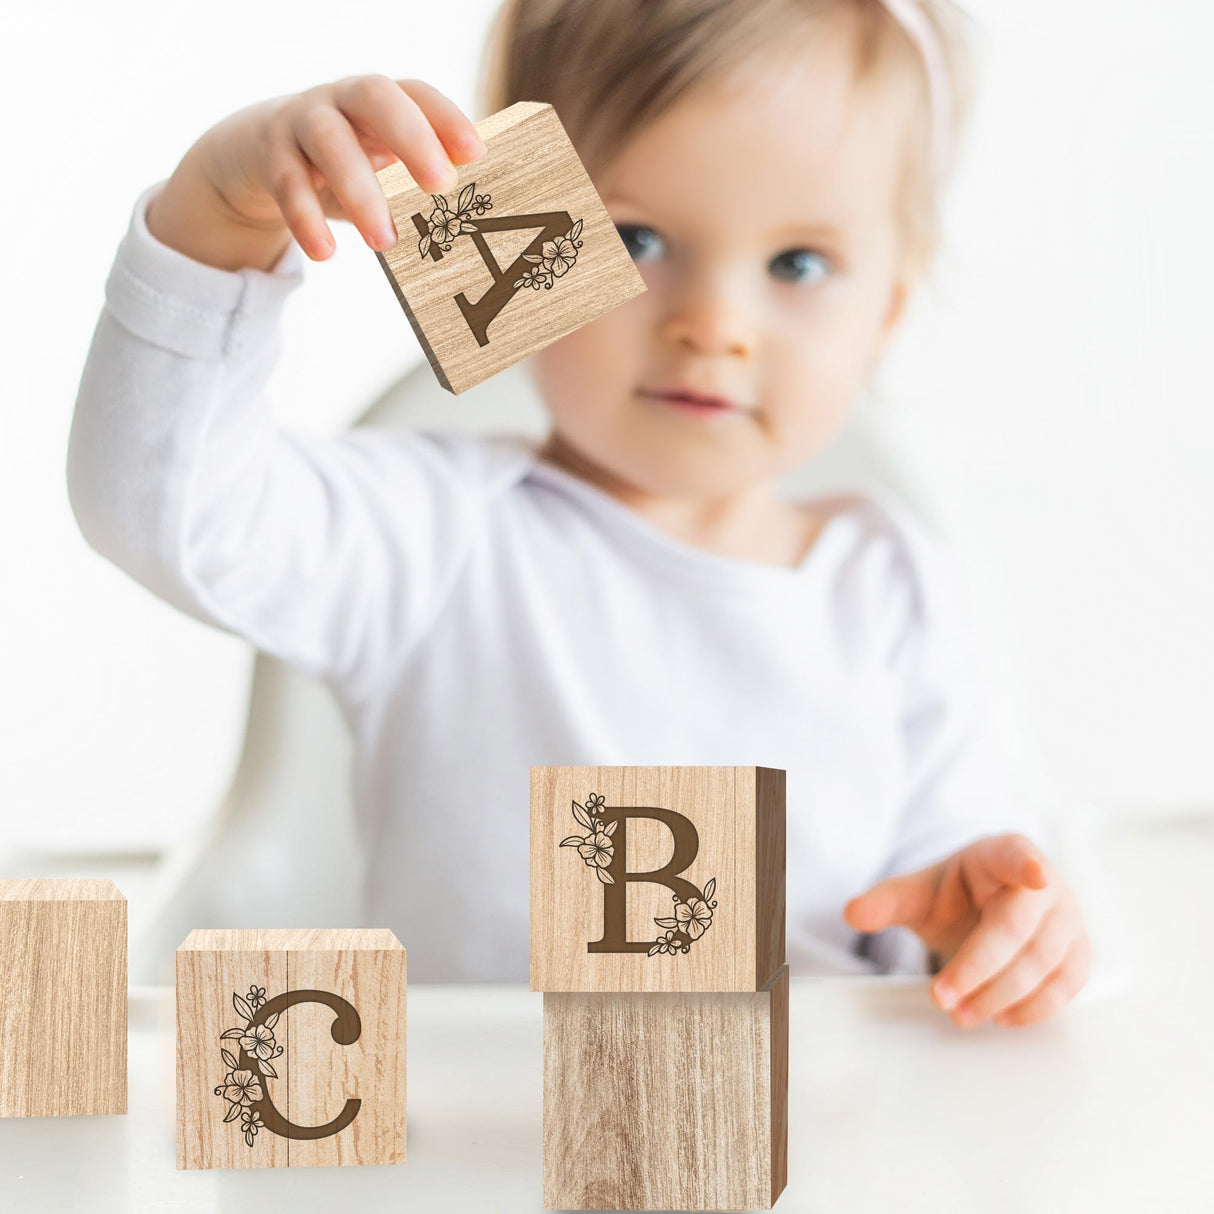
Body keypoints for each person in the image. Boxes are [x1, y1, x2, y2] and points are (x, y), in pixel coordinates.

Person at [66, 0, 1090, 1027]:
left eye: (796, 264)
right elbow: (162, 507)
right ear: (503, 227)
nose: (713, 325)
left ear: (886, 314)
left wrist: (987, 918)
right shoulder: (429, 537)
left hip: (822, 1141)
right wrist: (215, 229)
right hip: (486, 1156)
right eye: (637, 237)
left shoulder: (894, 582)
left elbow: (957, 855)